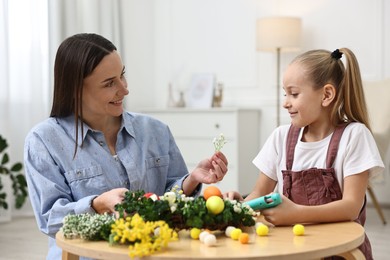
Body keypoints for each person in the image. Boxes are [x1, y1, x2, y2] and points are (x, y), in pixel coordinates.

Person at [24, 33, 228, 259]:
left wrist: (191, 180)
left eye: (122, 75)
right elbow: (50, 220)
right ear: (76, 90)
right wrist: (97, 204)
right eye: (109, 83)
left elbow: (167, 203)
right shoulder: (44, 140)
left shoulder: (155, 130)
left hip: (153, 251)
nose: (124, 89)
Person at [225, 48, 384, 259]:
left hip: (339, 250)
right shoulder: (280, 137)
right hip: (291, 249)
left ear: (326, 95)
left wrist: (297, 214)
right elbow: (259, 195)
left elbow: (351, 207)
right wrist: (239, 206)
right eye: (285, 93)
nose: (285, 102)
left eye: (294, 93)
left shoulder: (354, 136)